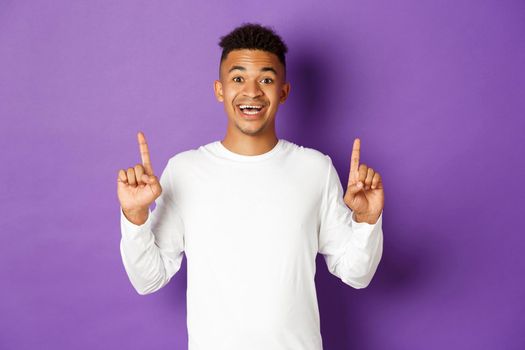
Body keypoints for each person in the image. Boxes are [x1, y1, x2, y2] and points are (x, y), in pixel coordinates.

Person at [117, 23, 384, 350]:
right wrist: (134, 216)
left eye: (267, 80)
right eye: (238, 78)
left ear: (283, 92)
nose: (252, 92)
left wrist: (367, 221)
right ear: (220, 89)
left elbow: (356, 273)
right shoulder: (185, 171)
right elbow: (148, 280)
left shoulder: (315, 169)